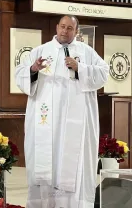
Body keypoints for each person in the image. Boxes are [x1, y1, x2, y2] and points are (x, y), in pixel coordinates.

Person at [15, 15, 109, 208]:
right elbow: (20, 74)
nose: (65, 31)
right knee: (46, 160)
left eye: (70, 28)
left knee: (72, 162)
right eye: (63, 27)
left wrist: (80, 68)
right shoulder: (40, 51)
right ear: (57, 27)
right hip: (46, 122)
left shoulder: (86, 52)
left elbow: (103, 73)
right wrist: (33, 69)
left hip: (75, 123)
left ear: (76, 31)